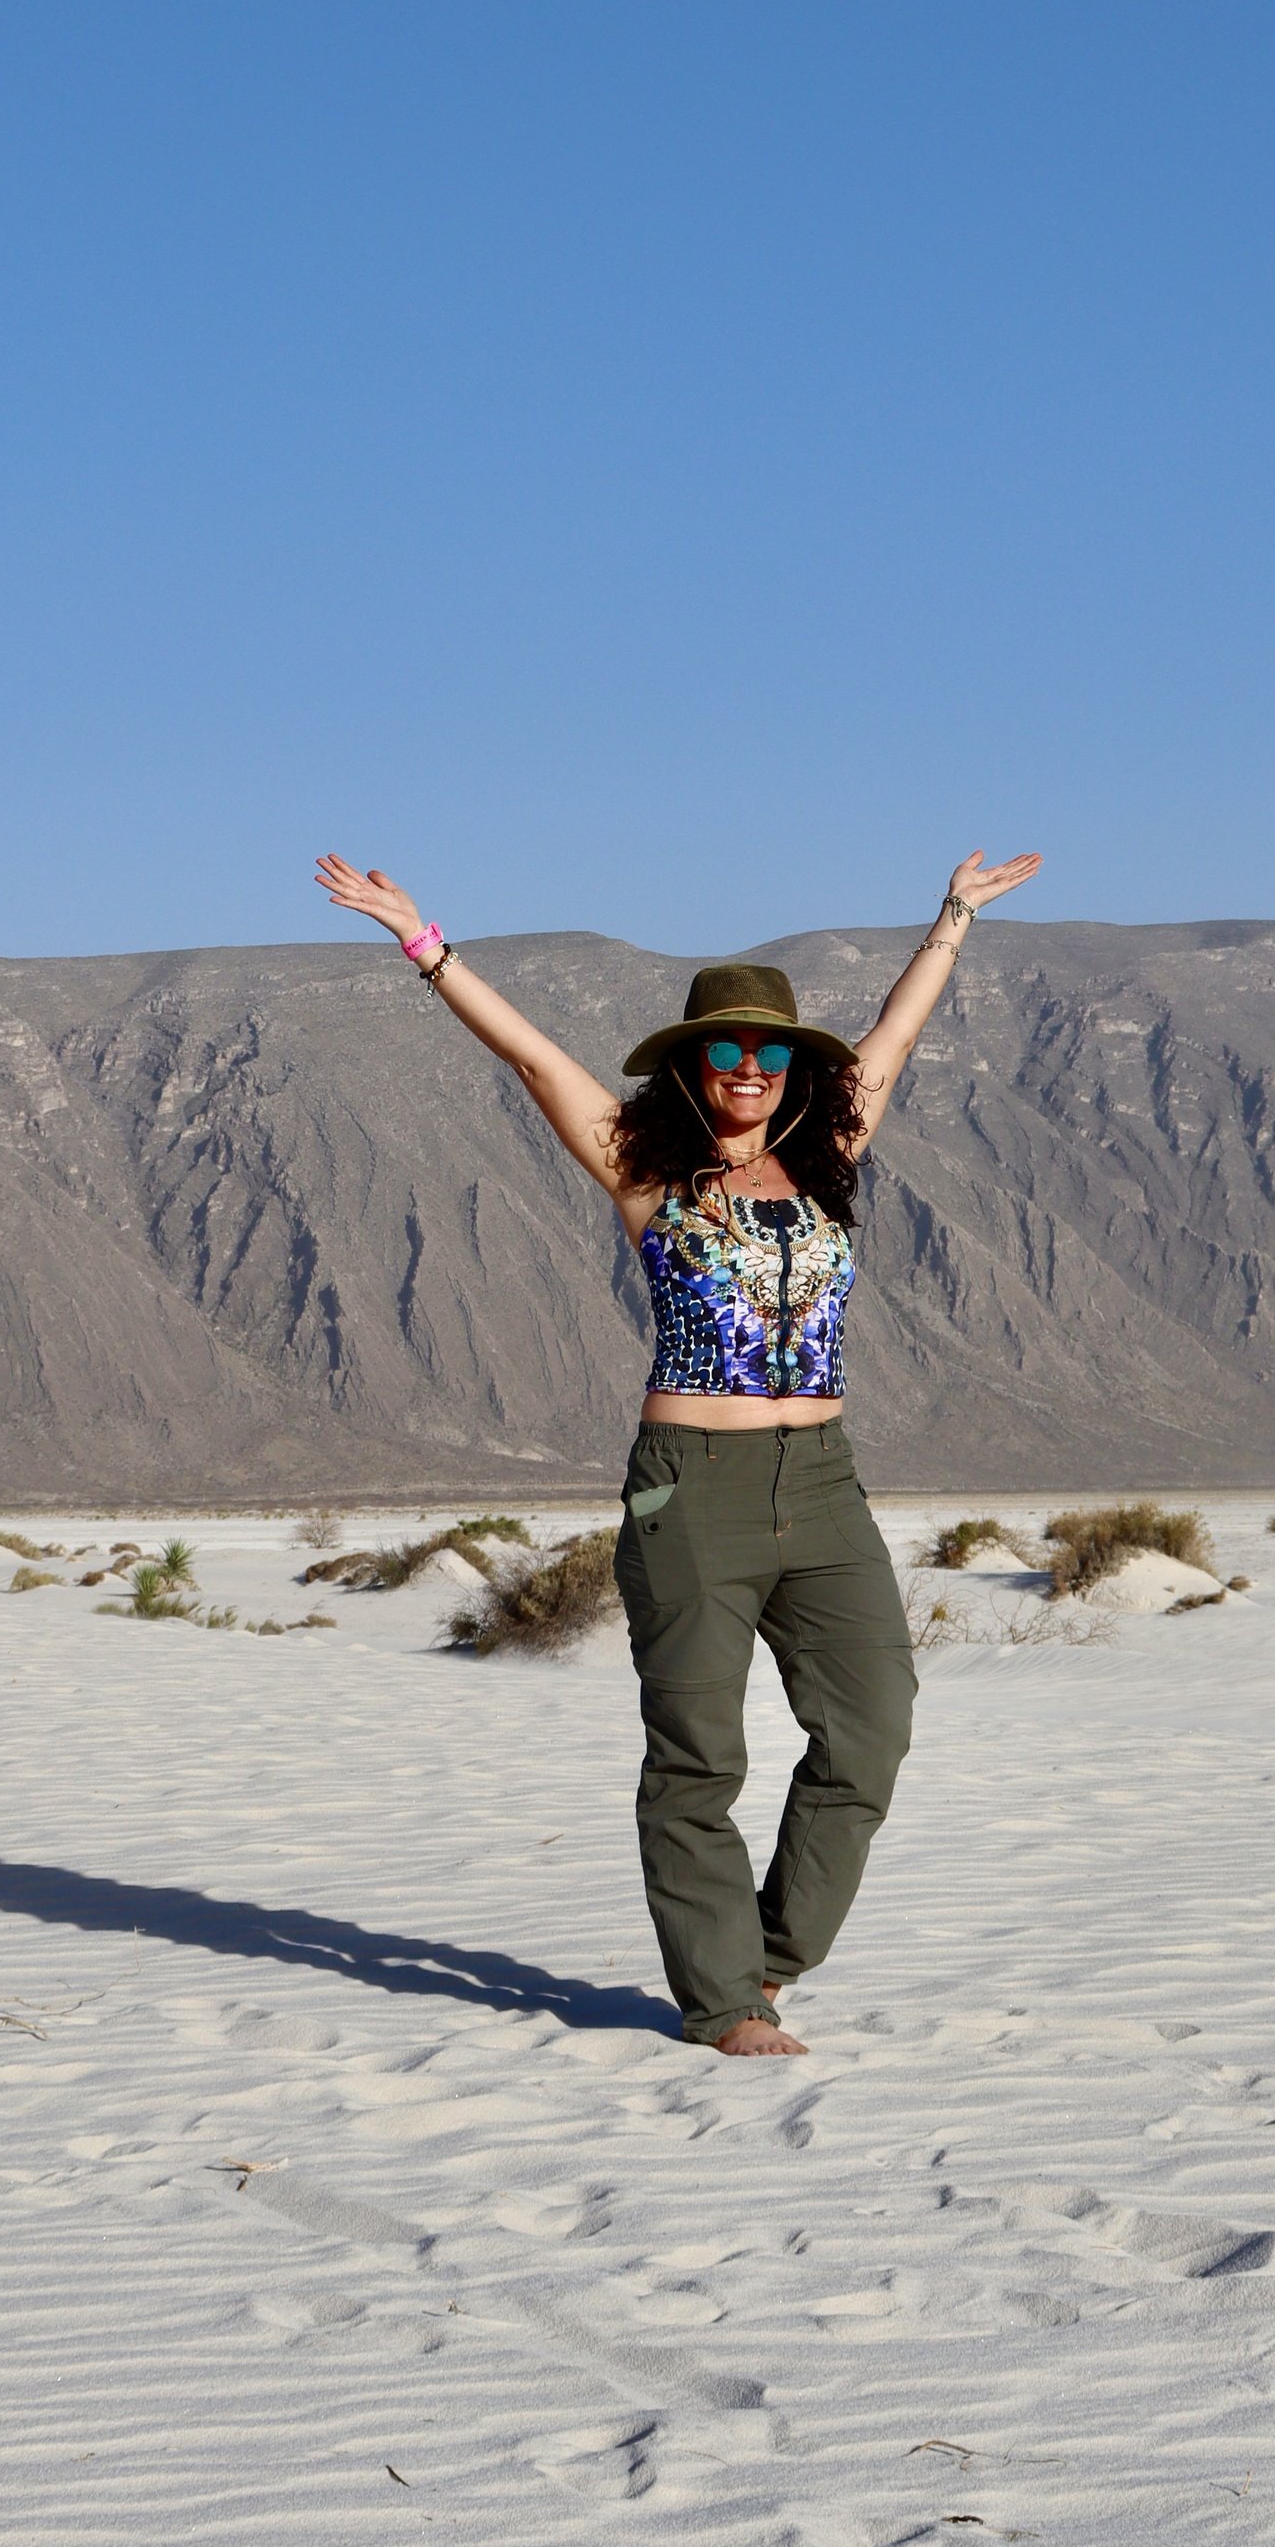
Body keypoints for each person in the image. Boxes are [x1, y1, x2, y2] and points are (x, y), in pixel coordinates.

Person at [313, 849, 1043, 2054]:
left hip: (822, 1482)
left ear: (796, 1071)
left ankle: (759, 1957)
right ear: (693, 1068)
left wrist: (951, 921)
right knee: (699, 1753)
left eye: (769, 1053)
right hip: (688, 1490)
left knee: (871, 1729)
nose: (747, 1069)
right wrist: (423, 944)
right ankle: (723, 2003)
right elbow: (534, 1057)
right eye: (724, 1052)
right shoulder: (645, 1170)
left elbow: (894, 1038)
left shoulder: (829, 1161)